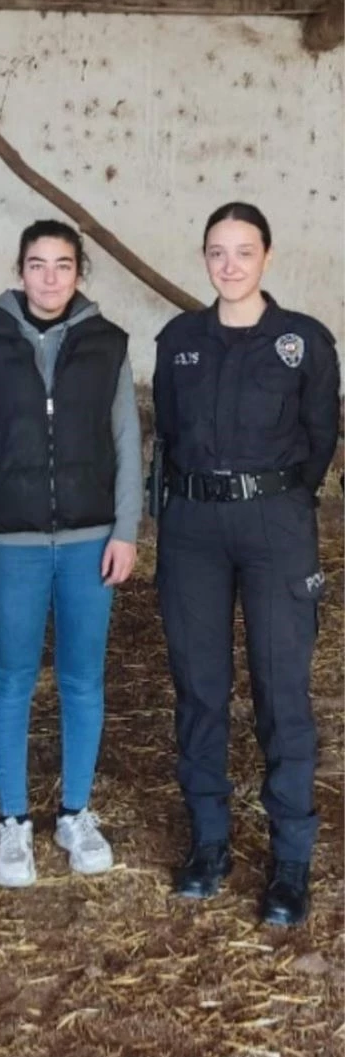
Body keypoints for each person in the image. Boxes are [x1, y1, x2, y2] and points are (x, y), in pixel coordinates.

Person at [153, 201, 340, 927]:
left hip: (275, 523)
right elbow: (169, 428)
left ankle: (291, 858)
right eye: (216, 252)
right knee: (199, 684)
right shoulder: (179, 341)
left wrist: (276, 498)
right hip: (194, 523)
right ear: (204, 258)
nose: (229, 265)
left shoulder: (304, 341)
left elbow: (322, 435)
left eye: (243, 251)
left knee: (280, 687)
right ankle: (209, 843)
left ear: (267, 255)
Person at [0, 219, 142, 888]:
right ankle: (14, 822)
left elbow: (126, 440)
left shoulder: (108, 347)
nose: (50, 277)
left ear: (79, 272)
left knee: (84, 677)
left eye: (62, 264)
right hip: (10, 540)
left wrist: (126, 530)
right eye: (38, 264)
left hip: (91, 537)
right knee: (13, 676)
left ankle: (76, 811)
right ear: (20, 270)